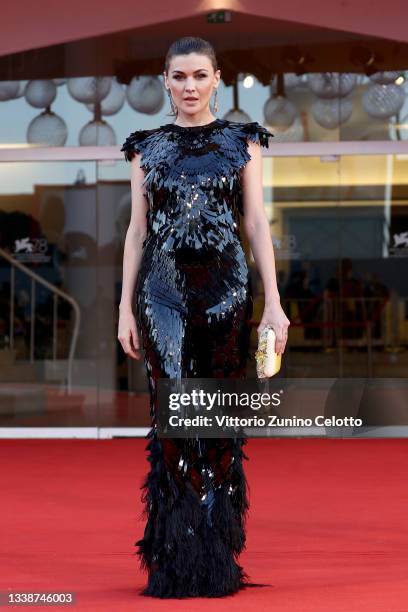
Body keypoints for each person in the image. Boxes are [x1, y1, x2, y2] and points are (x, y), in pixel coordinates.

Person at [118, 36, 290, 599]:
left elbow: (258, 223)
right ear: (165, 81)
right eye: (178, 76)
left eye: (199, 75)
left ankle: (215, 558)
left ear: (218, 78)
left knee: (215, 421)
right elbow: (138, 231)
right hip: (161, 293)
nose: (189, 86)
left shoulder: (243, 141)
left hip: (226, 290)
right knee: (173, 416)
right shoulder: (146, 146)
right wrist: (125, 305)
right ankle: (173, 559)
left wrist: (274, 302)